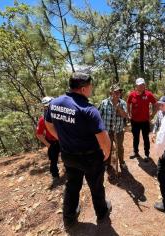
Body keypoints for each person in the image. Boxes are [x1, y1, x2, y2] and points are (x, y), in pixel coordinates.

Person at [45, 72, 112, 228]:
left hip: (68, 155)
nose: (91, 89)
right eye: (90, 86)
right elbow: (102, 136)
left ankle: (68, 218)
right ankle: (101, 213)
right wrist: (107, 152)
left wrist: (61, 138)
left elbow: (48, 125)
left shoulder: (54, 103)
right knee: (96, 186)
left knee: (72, 186)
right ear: (83, 89)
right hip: (90, 158)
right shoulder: (89, 109)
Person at [98, 84, 128, 172]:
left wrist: (119, 108)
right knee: (108, 148)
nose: (118, 93)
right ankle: (107, 164)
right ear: (111, 93)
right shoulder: (104, 103)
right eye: (115, 92)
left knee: (120, 148)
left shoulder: (122, 103)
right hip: (107, 131)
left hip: (118, 131)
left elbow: (125, 116)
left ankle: (122, 162)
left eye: (119, 92)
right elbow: (98, 116)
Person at [127, 77, 157, 161]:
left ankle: (147, 154)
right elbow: (128, 103)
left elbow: (155, 104)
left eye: (143, 84)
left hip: (145, 121)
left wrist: (152, 115)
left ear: (145, 85)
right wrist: (129, 114)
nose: (141, 86)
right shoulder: (132, 95)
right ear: (136, 86)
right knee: (135, 137)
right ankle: (135, 152)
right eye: (139, 85)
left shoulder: (148, 94)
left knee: (145, 137)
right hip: (134, 121)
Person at [36, 96, 61, 186]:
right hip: (52, 142)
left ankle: (71, 173)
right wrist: (48, 145)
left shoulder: (59, 115)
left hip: (61, 140)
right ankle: (55, 176)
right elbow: (39, 134)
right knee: (53, 160)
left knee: (68, 157)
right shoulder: (43, 119)